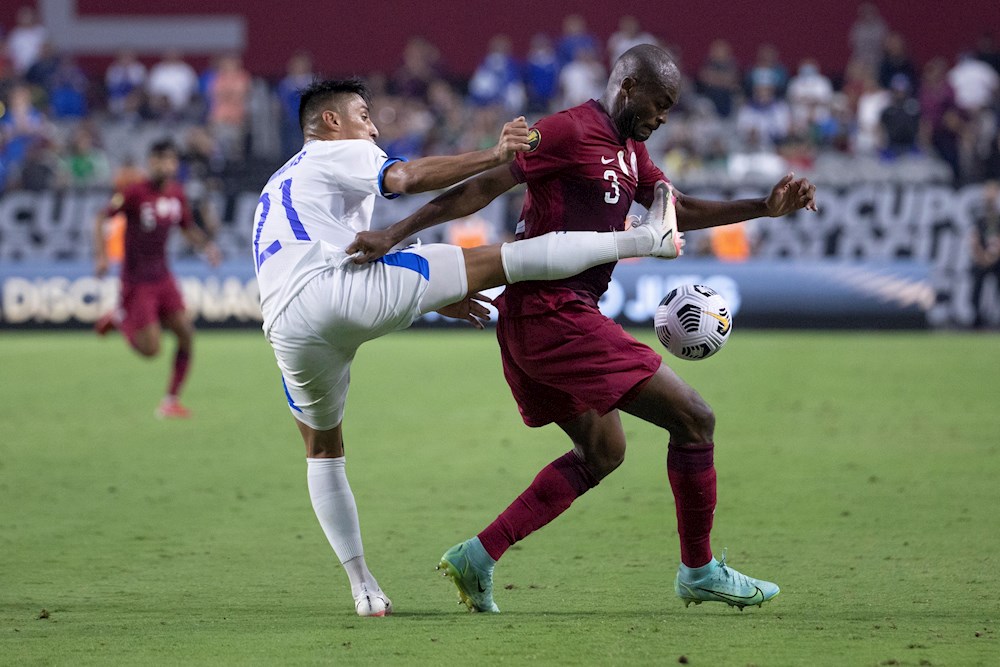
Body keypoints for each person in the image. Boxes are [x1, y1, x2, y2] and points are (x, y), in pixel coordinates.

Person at [349, 44, 817, 613]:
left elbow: (675, 209)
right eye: (660, 104)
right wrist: (393, 234)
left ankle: (478, 556)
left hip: (546, 317)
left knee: (603, 450)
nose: (663, 117)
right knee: (695, 419)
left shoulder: (631, 150)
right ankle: (698, 571)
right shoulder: (568, 131)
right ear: (629, 88)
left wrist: (763, 207)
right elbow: (482, 188)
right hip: (553, 313)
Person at [255, 78, 683, 619]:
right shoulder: (335, 150)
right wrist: (494, 153)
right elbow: (406, 178)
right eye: (364, 115)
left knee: (323, 451)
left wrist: (433, 294)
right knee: (507, 259)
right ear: (331, 121)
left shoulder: (281, 181)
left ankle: (364, 588)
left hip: (287, 326)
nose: (374, 128)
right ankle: (643, 240)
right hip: (332, 291)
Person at [93, 139, 221, 418]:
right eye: (161, 160)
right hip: (136, 281)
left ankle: (170, 401)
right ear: (151, 162)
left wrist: (207, 247)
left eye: (171, 160)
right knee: (151, 350)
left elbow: (186, 227)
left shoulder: (176, 194)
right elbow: (102, 217)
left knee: (186, 333)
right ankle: (120, 318)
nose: (167, 165)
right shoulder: (134, 192)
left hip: (163, 277)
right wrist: (102, 257)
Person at [970, 181, 1000, 328]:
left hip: (997, 260)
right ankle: (976, 319)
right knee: (976, 288)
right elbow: (974, 239)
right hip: (982, 258)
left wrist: (993, 256)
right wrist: (982, 256)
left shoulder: (997, 217)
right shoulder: (979, 217)